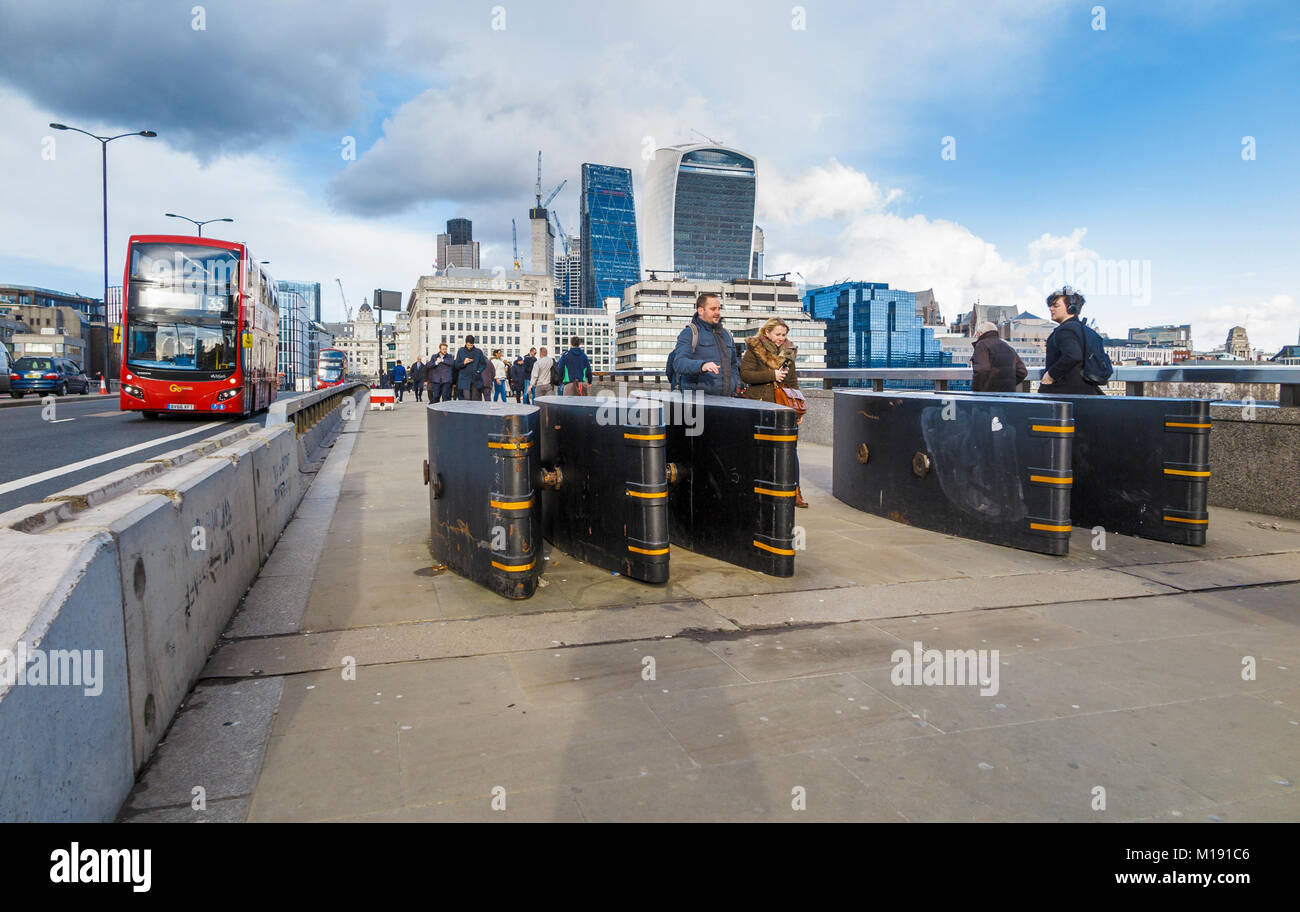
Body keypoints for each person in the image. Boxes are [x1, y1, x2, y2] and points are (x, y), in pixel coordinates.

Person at [740, 318, 807, 507]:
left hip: (783, 407)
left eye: (784, 335)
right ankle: (761, 490)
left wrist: (797, 410)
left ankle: (795, 491)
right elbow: (745, 375)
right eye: (777, 334)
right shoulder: (754, 350)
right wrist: (772, 375)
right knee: (760, 449)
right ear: (767, 333)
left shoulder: (788, 354)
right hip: (760, 404)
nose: (780, 338)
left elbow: (793, 384)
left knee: (790, 450)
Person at [671, 293, 741, 397]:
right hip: (698, 401)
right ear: (700, 311)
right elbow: (679, 363)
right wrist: (702, 366)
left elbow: (733, 364)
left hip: (726, 400)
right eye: (713, 309)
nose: (717, 312)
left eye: (719, 308)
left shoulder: (727, 335)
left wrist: (734, 383)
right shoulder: (690, 333)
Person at [1040, 286, 1104, 395]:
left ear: (1071, 308)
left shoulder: (1065, 330)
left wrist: (1050, 376)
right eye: (1050, 306)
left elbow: (1073, 355)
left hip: (1064, 393)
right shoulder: (1088, 331)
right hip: (1088, 391)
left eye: (1055, 306)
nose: (1051, 308)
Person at [970, 322, 1027, 393]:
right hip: (1008, 395)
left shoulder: (982, 345)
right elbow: (1022, 371)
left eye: (976, 335)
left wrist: (977, 389)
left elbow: (982, 370)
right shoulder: (1007, 346)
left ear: (980, 334)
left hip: (987, 396)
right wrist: (1008, 384)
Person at [454, 335, 488, 401]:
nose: (470, 347)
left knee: (475, 399)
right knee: (466, 399)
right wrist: (464, 363)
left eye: (471, 345)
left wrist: (479, 371)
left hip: (475, 379)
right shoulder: (460, 351)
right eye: (468, 345)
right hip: (464, 379)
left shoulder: (478, 352)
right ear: (466, 343)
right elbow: (456, 365)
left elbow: (483, 364)